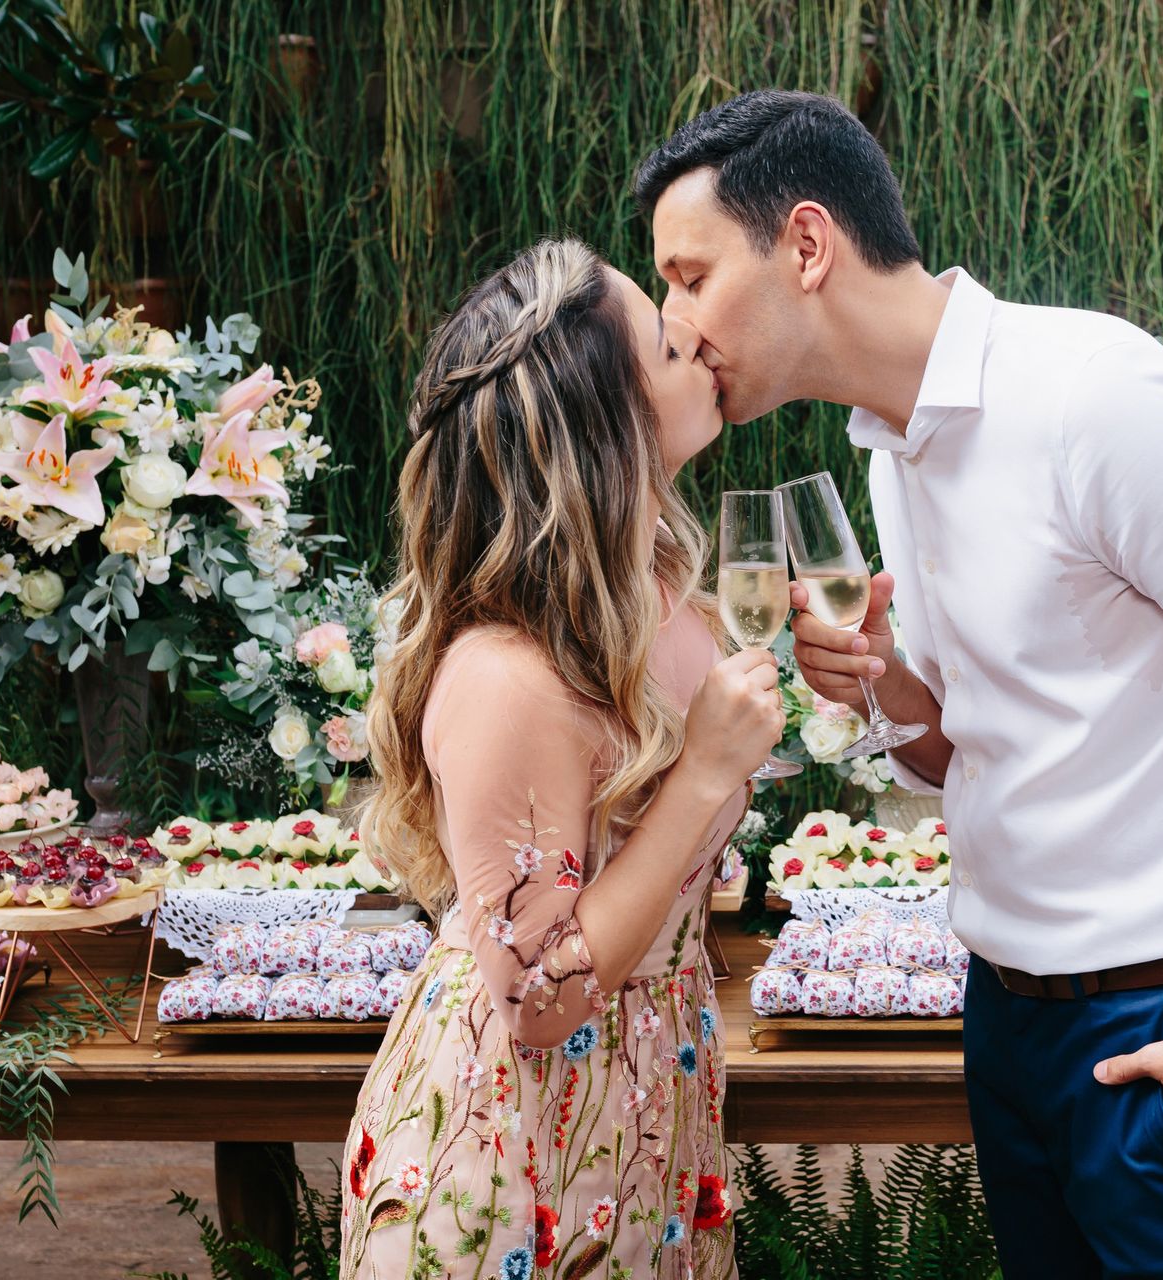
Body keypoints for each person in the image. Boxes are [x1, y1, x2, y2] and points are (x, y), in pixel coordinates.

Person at [636, 91, 1163, 1279]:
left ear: (806, 244)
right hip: (1010, 1024)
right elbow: (977, 745)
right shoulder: (891, 445)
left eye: (689, 276)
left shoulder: (1096, 399)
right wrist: (885, 683)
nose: (674, 325)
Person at [339, 238, 783, 1280]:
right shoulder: (508, 675)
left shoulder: (663, 602)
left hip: (643, 1123)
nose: (701, 343)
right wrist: (705, 774)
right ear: (604, 425)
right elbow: (540, 997)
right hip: (511, 1158)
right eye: (670, 346)